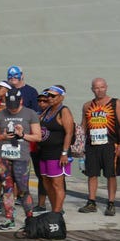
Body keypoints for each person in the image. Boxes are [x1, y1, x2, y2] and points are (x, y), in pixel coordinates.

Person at [0, 88, 41, 230]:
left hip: (21, 156)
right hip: (3, 155)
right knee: (7, 187)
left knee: (23, 188)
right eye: (10, 106)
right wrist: (3, 136)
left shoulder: (30, 114)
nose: (12, 109)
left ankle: (30, 218)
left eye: (15, 106)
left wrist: (23, 135)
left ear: (21, 101)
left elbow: (38, 136)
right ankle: (9, 218)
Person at [78, 78, 118, 216]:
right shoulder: (87, 105)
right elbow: (83, 126)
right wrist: (79, 145)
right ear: (92, 89)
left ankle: (111, 203)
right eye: (96, 87)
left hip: (110, 146)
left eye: (101, 87)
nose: (99, 90)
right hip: (92, 145)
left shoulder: (116, 103)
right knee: (92, 174)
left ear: (106, 87)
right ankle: (91, 202)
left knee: (110, 175)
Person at [38, 86, 74, 214]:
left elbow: (69, 133)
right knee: (46, 183)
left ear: (61, 97)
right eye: (48, 95)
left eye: (53, 96)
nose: (50, 98)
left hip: (57, 153)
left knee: (57, 184)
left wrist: (64, 153)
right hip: (44, 152)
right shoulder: (47, 111)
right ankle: (54, 209)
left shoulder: (63, 111)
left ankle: (57, 213)